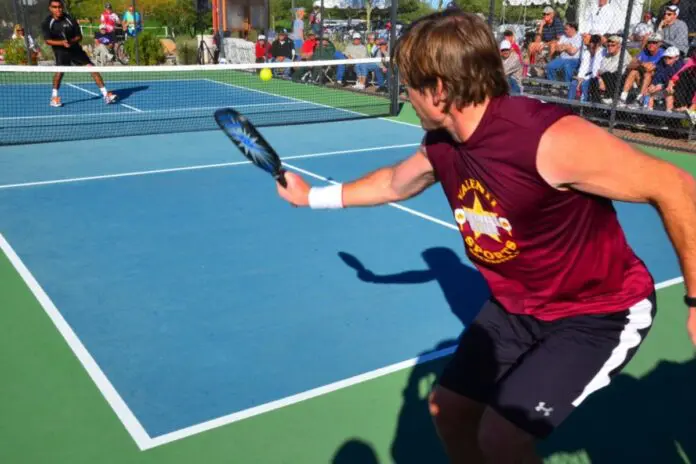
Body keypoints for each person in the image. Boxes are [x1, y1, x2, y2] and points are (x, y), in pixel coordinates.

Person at [276, 9, 696, 464]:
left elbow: (674, 185)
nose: (406, 97)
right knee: (447, 410)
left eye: (410, 86)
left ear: (438, 90)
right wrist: (311, 197)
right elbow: (394, 183)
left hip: (598, 312)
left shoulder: (546, 138)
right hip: (517, 306)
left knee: (502, 436)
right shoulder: (441, 144)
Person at [41, 0, 116, 107]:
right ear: (50, 8)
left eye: (60, 7)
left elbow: (79, 36)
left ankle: (106, 95)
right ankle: (54, 98)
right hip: (60, 51)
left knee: (92, 68)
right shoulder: (47, 22)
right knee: (60, 72)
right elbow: (47, 40)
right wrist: (62, 43)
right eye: (55, 7)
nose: (58, 9)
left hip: (75, 49)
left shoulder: (69, 19)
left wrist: (70, 42)